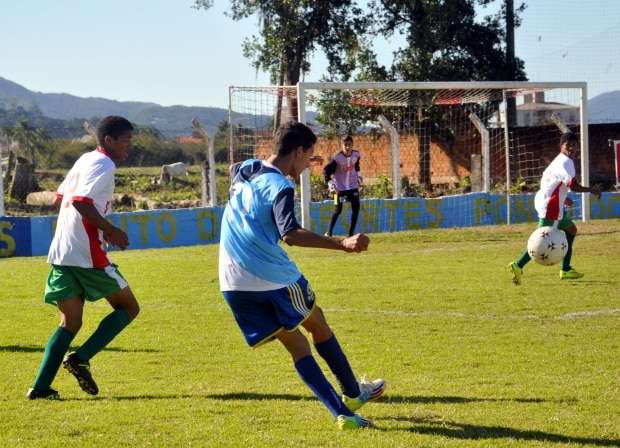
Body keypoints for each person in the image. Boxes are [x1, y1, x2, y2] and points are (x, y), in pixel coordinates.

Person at [219, 121, 385, 430]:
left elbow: (233, 167)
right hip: (270, 275)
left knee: (296, 345)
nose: (309, 164)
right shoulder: (281, 186)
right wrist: (342, 243)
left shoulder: (246, 169)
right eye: (308, 156)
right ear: (297, 151)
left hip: (231, 280)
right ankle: (352, 394)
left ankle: (345, 414)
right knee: (317, 321)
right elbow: (290, 234)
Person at [27, 116, 140, 400]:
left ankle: (40, 389)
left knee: (70, 323)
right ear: (109, 140)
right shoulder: (104, 164)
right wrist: (111, 230)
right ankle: (80, 358)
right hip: (87, 254)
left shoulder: (85, 159)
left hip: (62, 251)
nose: (130, 146)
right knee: (128, 307)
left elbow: (61, 196)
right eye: (126, 140)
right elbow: (80, 201)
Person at [509, 131, 601, 285]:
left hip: (549, 201)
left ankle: (565, 269)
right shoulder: (566, 162)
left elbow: (549, 181)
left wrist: (564, 198)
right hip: (550, 206)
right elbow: (574, 186)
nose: (571, 147)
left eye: (574, 145)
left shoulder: (559, 161)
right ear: (561, 146)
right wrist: (592, 189)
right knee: (541, 239)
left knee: (571, 230)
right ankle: (518, 265)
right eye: (568, 145)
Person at [323, 135, 362, 237]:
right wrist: (329, 183)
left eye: (349, 145)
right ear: (342, 145)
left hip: (352, 187)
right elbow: (326, 170)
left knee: (356, 208)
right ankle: (329, 232)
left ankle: (350, 234)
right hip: (338, 189)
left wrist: (359, 175)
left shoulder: (356, 155)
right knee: (337, 209)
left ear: (352, 144)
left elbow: (356, 166)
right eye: (345, 145)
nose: (347, 147)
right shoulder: (337, 158)